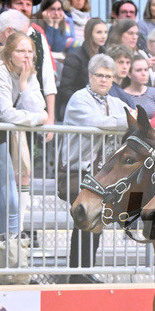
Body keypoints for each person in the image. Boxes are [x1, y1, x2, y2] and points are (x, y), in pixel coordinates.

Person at [59, 54, 129, 283]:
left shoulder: (116, 102)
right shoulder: (79, 99)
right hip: (77, 171)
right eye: (99, 75)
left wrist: (127, 119)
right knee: (85, 220)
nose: (104, 80)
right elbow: (96, 122)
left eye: (109, 76)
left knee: (97, 222)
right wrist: (126, 120)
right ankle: (77, 273)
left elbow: (134, 117)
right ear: (90, 76)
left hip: (101, 177)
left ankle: (85, 271)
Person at [0, 31, 47, 259]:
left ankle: (12, 248)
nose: (26, 56)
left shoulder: (28, 73)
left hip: (13, 135)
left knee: (15, 193)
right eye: (21, 51)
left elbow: (38, 108)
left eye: (30, 51)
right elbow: (6, 113)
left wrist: (23, 83)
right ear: (9, 53)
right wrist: (36, 119)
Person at [56, 17, 106, 120]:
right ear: (89, 34)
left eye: (105, 32)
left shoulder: (105, 56)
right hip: (78, 108)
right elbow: (65, 89)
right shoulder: (74, 56)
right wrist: (82, 103)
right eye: (99, 32)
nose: (103, 36)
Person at [118, 52, 155, 117]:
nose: (143, 74)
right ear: (129, 74)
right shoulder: (122, 96)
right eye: (139, 70)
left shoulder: (154, 92)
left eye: (146, 70)